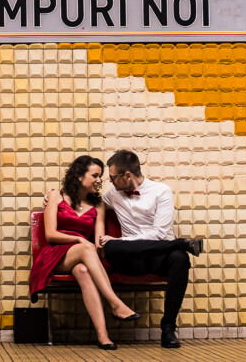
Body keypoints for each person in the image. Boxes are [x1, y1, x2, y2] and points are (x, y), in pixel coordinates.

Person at [43, 149, 203, 349]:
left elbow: (159, 234)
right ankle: (180, 243)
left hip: (157, 254)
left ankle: (168, 329)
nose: (106, 182)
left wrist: (121, 240)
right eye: (101, 177)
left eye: (111, 178)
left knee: (180, 259)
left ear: (127, 175)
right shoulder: (111, 195)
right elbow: (78, 202)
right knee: (112, 246)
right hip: (130, 258)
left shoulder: (161, 192)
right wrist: (51, 196)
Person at [30, 155, 141, 351]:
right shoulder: (56, 196)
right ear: (80, 176)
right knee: (87, 247)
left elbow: (98, 241)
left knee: (83, 271)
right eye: (95, 175)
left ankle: (103, 336)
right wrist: (80, 239)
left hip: (83, 255)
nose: (99, 180)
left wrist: (103, 249)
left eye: (100, 176)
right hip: (56, 255)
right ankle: (115, 303)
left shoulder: (98, 204)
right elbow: (50, 234)